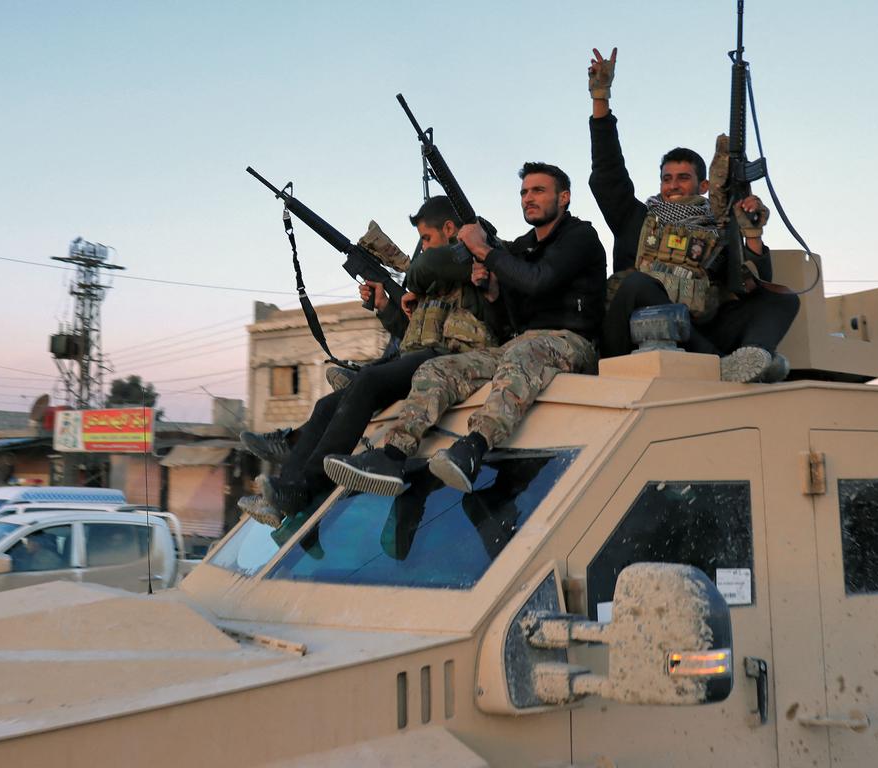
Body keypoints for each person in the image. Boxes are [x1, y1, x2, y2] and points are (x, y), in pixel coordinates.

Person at [323, 162, 606, 496]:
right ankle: (393, 454)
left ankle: (474, 446)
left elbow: (539, 281)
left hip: (572, 341)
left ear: (564, 197)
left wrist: (484, 250)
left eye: (539, 190)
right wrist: (492, 292)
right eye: (525, 192)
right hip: (519, 345)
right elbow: (508, 316)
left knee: (522, 351)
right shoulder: (522, 246)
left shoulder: (579, 237)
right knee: (437, 368)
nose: (529, 198)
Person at [239, 195, 505, 528]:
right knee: (326, 405)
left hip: (454, 361)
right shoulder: (433, 286)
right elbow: (412, 336)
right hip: (422, 358)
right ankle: (285, 494)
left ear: (450, 229)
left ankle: (308, 486)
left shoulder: (474, 263)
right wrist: (384, 306)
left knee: (367, 381)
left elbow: (446, 330)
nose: (422, 248)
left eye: (426, 238)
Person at [588, 47, 799, 382]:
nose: (673, 186)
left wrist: (753, 234)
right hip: (630, 337)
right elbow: (607, 172)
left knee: (784, 300)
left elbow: (752, 283)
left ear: (702, 184)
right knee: (640, 283)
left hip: (698, 333)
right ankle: (721, 364)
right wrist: (601, 98)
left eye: (683, 178)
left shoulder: (716, 228)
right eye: (667, 178)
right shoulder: (637, 219)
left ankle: (754, 357)